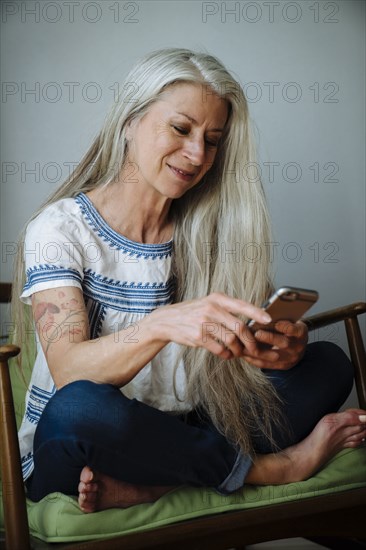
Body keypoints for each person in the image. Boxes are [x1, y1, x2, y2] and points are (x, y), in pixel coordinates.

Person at [13, 48, 366, 514]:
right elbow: (69, 372)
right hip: (80, 444)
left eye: (213, 140)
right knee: (80, 407)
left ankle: (157, 483)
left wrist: (279, 354)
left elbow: (236, 373)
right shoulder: (60, 229)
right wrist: (163, 323)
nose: (197, 154)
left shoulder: (211, 232)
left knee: (327, 363)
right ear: (130, 121)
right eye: (181, 129)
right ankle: (268, 468)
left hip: (183, 432)